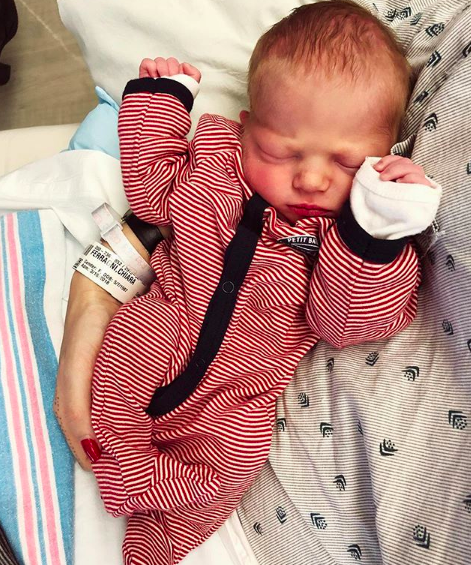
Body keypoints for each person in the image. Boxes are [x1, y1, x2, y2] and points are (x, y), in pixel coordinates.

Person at [56, 2, 441, 564]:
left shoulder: (346, 237)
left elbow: (343, 322)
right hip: (158, 333)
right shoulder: (214, 168)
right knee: (111, 389)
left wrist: (374, 234)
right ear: (244, 129)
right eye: (279, 152)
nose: (311, 178)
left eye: (347, 163)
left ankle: (156, 539)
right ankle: (120, 468)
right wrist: (159, 103)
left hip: (241, 395)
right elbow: (152, 192)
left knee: (229, 468)